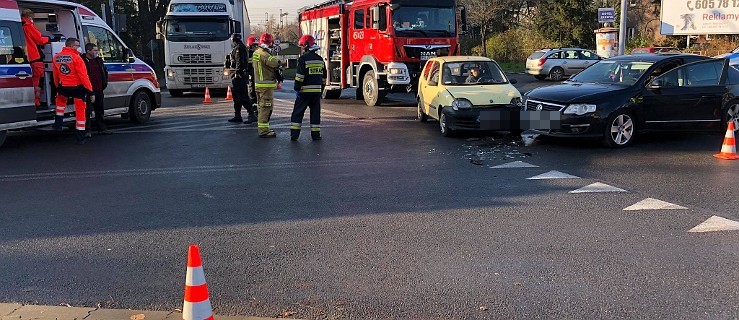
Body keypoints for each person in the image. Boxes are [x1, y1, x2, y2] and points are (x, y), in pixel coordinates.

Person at [52, 38, 93, 145]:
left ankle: (58, 128)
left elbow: (55, 75)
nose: (79, 47)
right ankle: (80, 138)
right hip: (77, 89)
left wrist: (57, 87)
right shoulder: (77, 58)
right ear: (71, 46)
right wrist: (90, 91)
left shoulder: (56, 57)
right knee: (80, 112)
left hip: (63, 87)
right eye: (77, 45)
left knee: (60, 107)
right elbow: (83, 76)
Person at [291, 35, 326, 141]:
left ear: (306, 46)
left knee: (298, 113)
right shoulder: (320, 60)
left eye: (302, 46)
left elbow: (300, 77)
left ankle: (294, 135)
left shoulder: (303, 59)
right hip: (316, 93)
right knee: (315, 114)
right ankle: (316, 135)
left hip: (304, 92)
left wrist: (297, 89)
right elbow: (324, 77)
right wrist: (321, 90)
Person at [251, 33, 282, 138]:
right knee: (266, 107)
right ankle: (263, 130)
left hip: (260, 85)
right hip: (265, 86)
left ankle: (264, 128)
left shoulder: (257, 52)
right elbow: (275, 63)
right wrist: (281, 63)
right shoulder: (264, 54)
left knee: (262, 107)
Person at [21, 9, 51, 107]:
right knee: (38, 79)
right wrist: (49, 38)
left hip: (26, 56)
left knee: (29, 80)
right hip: (35, 56)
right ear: (30, 16)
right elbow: (40, 40)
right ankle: (36, 101)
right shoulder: (28, 26)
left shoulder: (19, 25)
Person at [225, 33, 257, 124]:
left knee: (243, 96)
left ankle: (251, 114)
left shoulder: (239, 48)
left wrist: (237, 72)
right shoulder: (237, 48)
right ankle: (237, 115)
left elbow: (240, 62)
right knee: (236, 97)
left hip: (239, 76)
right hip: (237, 75)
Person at [81, 43, 111, 136]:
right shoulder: (83, 61)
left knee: (100, 110)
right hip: (88, 90)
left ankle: (102, 129)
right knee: (87, 112)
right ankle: (88, 130)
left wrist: (104, 82)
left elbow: (104, 71)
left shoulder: (98, 60)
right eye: (94, 50)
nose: (96, 52)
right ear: (88, 51)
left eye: (97, 50)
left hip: (99, 89)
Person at [245, 36, 259, 123]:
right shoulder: (248, 54)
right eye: (254, 45)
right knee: (252, 96)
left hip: (255, 78)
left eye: (256, 45)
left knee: (254, 96)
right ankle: (254, 112)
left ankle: (255, 113)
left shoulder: (256, 54)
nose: (255, 47)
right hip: (251, 77)